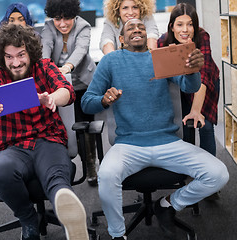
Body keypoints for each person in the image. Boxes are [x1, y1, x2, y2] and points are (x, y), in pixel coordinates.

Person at [81, 19, 229, 240]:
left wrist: (192, 71)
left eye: (141, 26)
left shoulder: (159, 56)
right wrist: (103, 100)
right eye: (130, 28)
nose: (137, 29)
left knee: (218, 174)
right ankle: (117, 234)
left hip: (167, 141)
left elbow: (191, 86)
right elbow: (86, 102)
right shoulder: (111, 61)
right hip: (129, 144)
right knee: (106, 175)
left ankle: (169, 204)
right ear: (121, 39)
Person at [0, 24, 89, 240]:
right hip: (14, 146)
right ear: (1, 57)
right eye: (9, 57)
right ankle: (28, 220)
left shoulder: (45, 67)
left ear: (29, 51)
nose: (16, 62)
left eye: (21, 55)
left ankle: (68, 213)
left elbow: (66, 91)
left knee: (56, 177)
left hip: (48, 140)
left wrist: (52, 99)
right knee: (1, 173)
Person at [157, 3, 221, 200]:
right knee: (184, 129)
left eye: (190, 24)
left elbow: (203, 76)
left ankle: (210, 181)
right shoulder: (162, 42)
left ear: (196, 26)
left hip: (206, 84)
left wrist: (196, 110)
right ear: (171, 26)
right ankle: (187, 172)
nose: (185, 30)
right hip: (178, 88)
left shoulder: (202, 37)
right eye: (180, 25)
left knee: (205, 125)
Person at [41, 0, 98, 186]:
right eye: (58, 19)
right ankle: (60, 167)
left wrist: (66, 67)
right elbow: (45, 50)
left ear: (74, 15)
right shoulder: (48, 27)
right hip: (58, 86)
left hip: (82, 83)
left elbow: (81, 50)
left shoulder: (83, 26)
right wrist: (48, 69)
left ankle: (90, 164)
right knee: (64, 127)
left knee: (86, 127)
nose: (63, 23)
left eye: (67, 18)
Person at [0, 2, 35, 71]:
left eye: (20, 20)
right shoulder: (0, 42)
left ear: (27, 21)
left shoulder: (35, 40)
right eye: (12, 20)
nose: (16, 23)